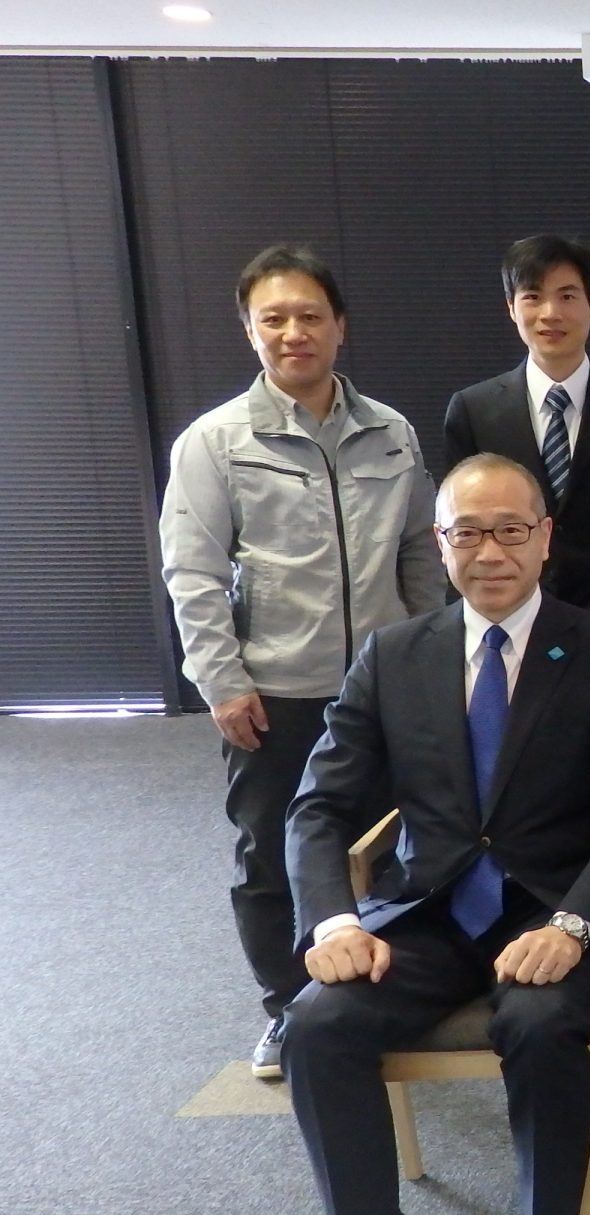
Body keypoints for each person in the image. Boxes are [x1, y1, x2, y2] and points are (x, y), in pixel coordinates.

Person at [282, 453, 590, 1215]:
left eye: (510, 530)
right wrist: (335, 923)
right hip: (430, 913)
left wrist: (575, 925)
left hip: (553, 918)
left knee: (539, 1030)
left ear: (545, 539)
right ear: (440, 544)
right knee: (314, 1029)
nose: (489, 551)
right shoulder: (395, 654)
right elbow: (319, 807)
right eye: (467, 532)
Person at [158, 243, 441, 1082]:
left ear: (340, 327)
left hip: (384, 685)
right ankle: (287, 1009)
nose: (293, 333)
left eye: (310, 316)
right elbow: (194, 571)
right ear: (249, 330)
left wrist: (439, 660)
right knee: (273, 850)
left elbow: (422, 560)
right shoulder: (215, 442)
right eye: (273, 318)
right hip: (275, 691)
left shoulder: (391, 432)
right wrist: (222, 681)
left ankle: (383, 995)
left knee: (396, 847)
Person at [444, 234, 590, 664]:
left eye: (567, 295)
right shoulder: (473, 411)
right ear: (512, 308)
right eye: (533, 296)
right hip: (508, 635)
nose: (550, 313)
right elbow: (460, 526)